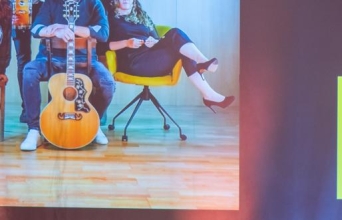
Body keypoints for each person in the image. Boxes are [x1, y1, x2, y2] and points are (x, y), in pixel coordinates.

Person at [19, 0, 115, 152]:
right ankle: (34, 130)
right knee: (29, 71)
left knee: (107, 83)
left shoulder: (94, 3)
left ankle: (92, 122)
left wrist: (69, 28)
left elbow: (103, 33)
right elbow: (36, 29)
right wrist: (53, 30)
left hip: (85, 60)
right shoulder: (51, 3)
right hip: (50, 59)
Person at [102, 0, 233, 109]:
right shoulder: (109, 18)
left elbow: (156, 38)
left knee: (179, 42)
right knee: (178, 39)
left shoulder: (141, 15)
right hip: (133, 62)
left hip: (151, 56)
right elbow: (101, 46)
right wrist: (126, 43)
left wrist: (154, 42)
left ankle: (208, 90)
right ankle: (206, 80)